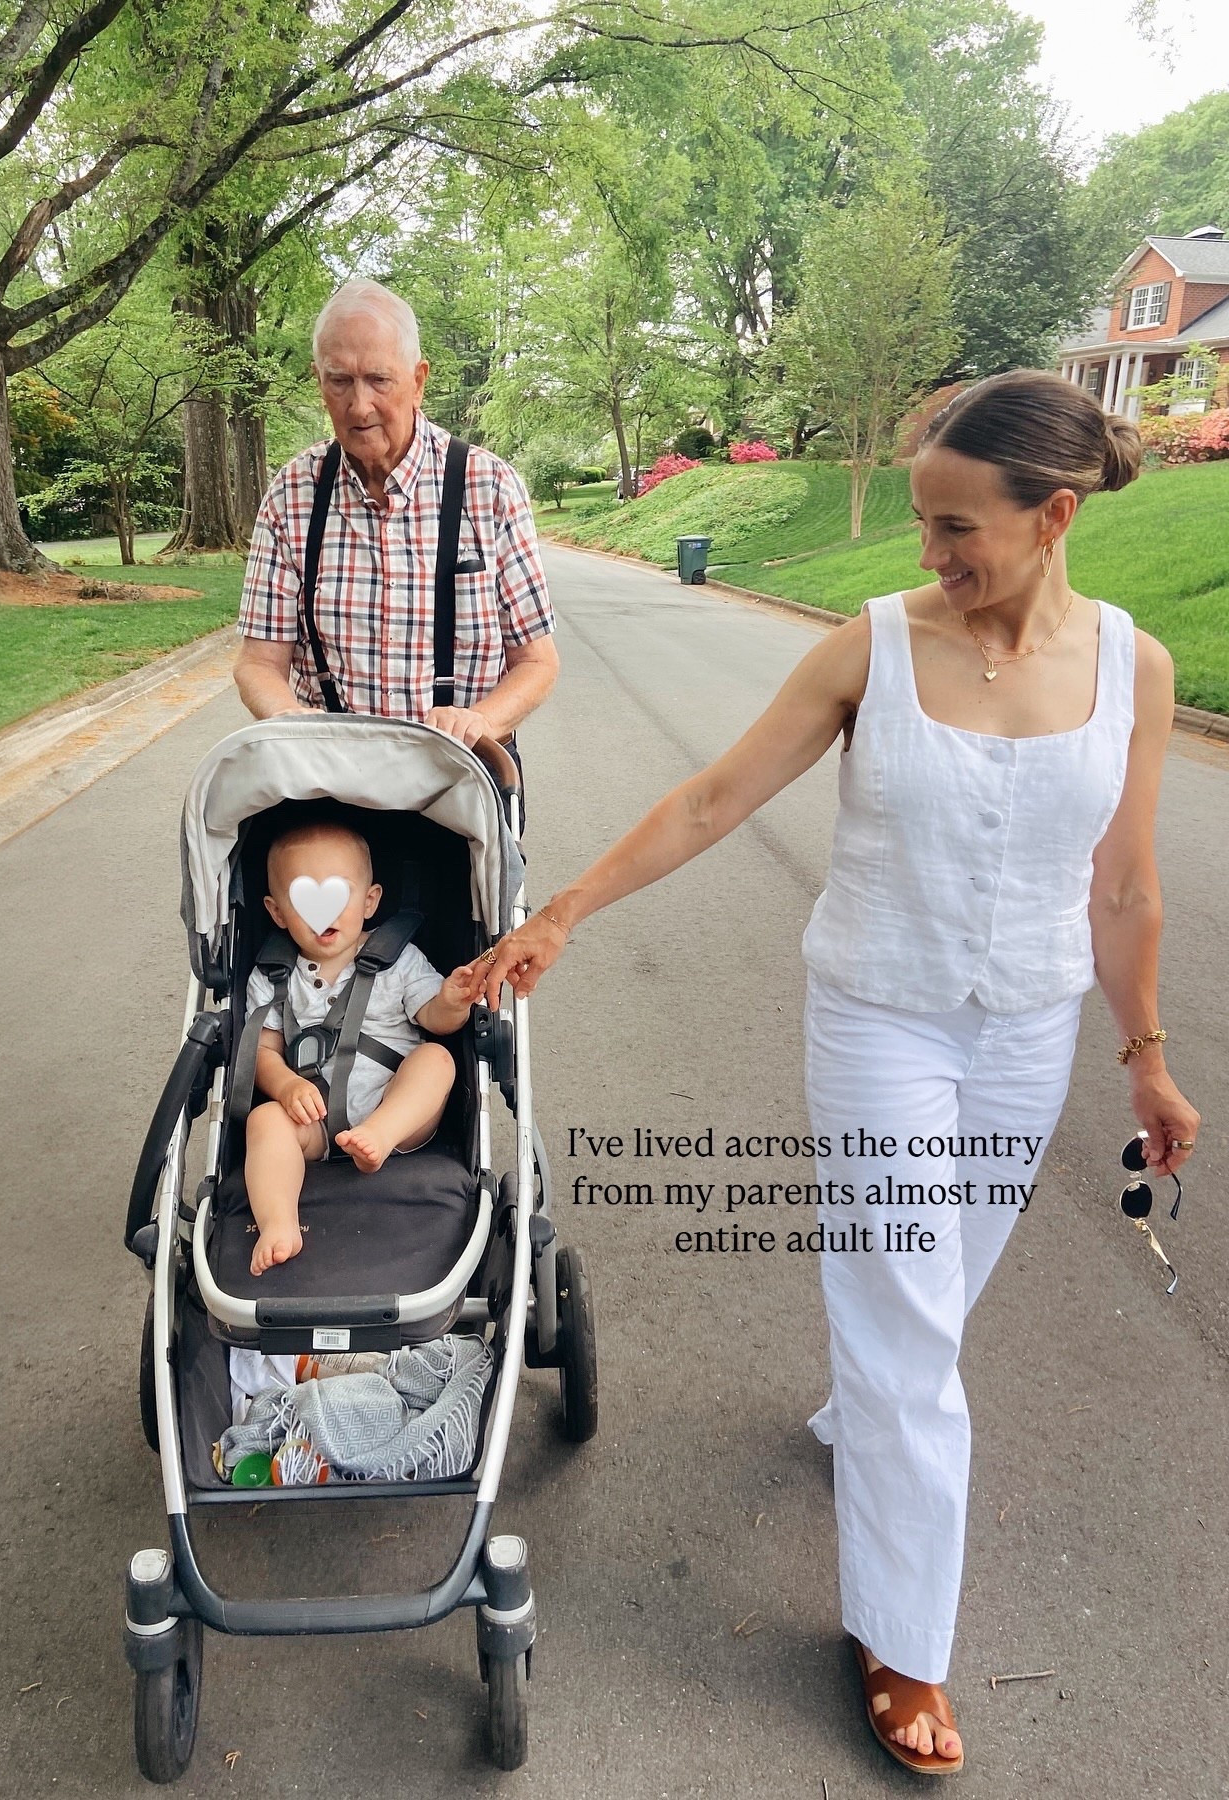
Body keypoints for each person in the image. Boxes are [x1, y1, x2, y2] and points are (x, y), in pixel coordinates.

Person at [473, 371, 1201, 1775]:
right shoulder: (874, 648)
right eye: (923, 524)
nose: (930, 554)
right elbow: (711, 798)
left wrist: (1149, 1059)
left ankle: (855, 1410)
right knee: (914, 1341)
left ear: (1053, 517)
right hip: (881, 1023)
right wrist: (561, 910)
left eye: (955, 528)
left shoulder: (1134, 669)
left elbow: (1125, 887)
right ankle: (904, 1642)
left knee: (934, 1300)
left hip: (1025, 1031)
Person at [234, 279, 559, 761]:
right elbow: (258, 663)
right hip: (331, 769)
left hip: (454, 768)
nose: (359, 405)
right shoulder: (292, 493)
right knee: (311, 843)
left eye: (379, 380)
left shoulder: (488, 486)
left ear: (418, 380)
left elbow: (537, 661)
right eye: (339, 380)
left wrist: (479, 721)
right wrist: (291, 721)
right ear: (319, 381)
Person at [243, 822, 481, 1274]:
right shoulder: (272, 977)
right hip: (312, 1123)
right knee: (264, 1119)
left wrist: (452, 1002)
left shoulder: (398, 959)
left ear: (370, 901)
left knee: (435, 1058)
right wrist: (286, 1084)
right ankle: (278, 1223)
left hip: (396, 1112)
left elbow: (435, 1018)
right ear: (276, 912)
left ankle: (378, 1136)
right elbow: (261, 1053)